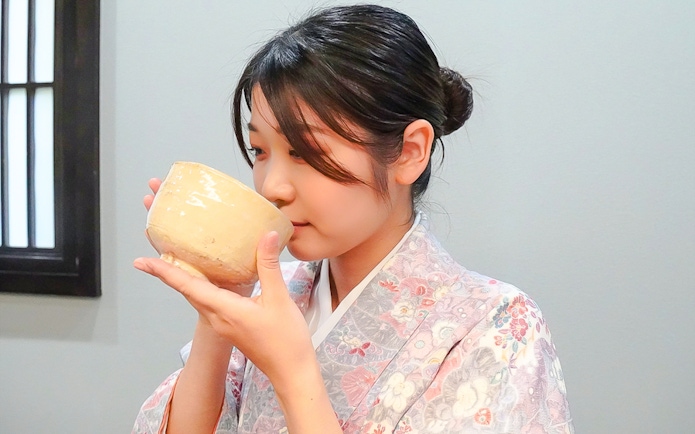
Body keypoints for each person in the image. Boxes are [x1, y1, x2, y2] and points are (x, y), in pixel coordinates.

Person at [132, 4, 573, 434]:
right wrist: (219, 308)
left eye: (305, 152)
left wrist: (294, 372)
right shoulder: (274, 298)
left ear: (409, 151)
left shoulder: (495, 326)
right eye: (260, 151)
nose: (271, 187)